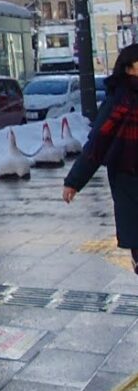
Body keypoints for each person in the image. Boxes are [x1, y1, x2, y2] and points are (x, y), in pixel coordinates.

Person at [63, 44, 138, 273]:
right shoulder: (121, 101)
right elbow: (98, 143)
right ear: (129, 69)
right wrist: (74, 181)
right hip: (130, 180)